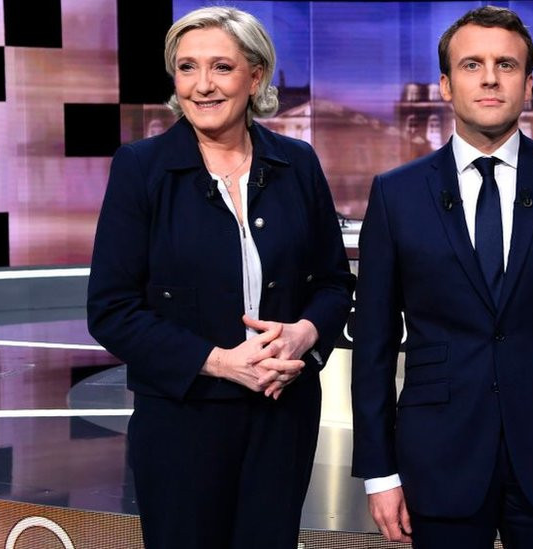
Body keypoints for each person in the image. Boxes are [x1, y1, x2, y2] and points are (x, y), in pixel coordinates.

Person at [351, 6, 533, 548]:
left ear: (529, 85)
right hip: (438, 457)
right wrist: (378, 469)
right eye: (471, 64)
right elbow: (372, 345)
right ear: (445, 84)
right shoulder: (396, 194)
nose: (489, 77)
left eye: (506, 64)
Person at [87, 7, 354, 549]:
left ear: (255, 77)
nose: (202, 85)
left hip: (283, 414)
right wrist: (219, 363)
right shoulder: (141, 168)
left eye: (220, 68)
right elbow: (112, 310)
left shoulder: (297, 163)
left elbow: (332, 284)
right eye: (187, 68)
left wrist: (305, 333)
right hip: (183, 419)